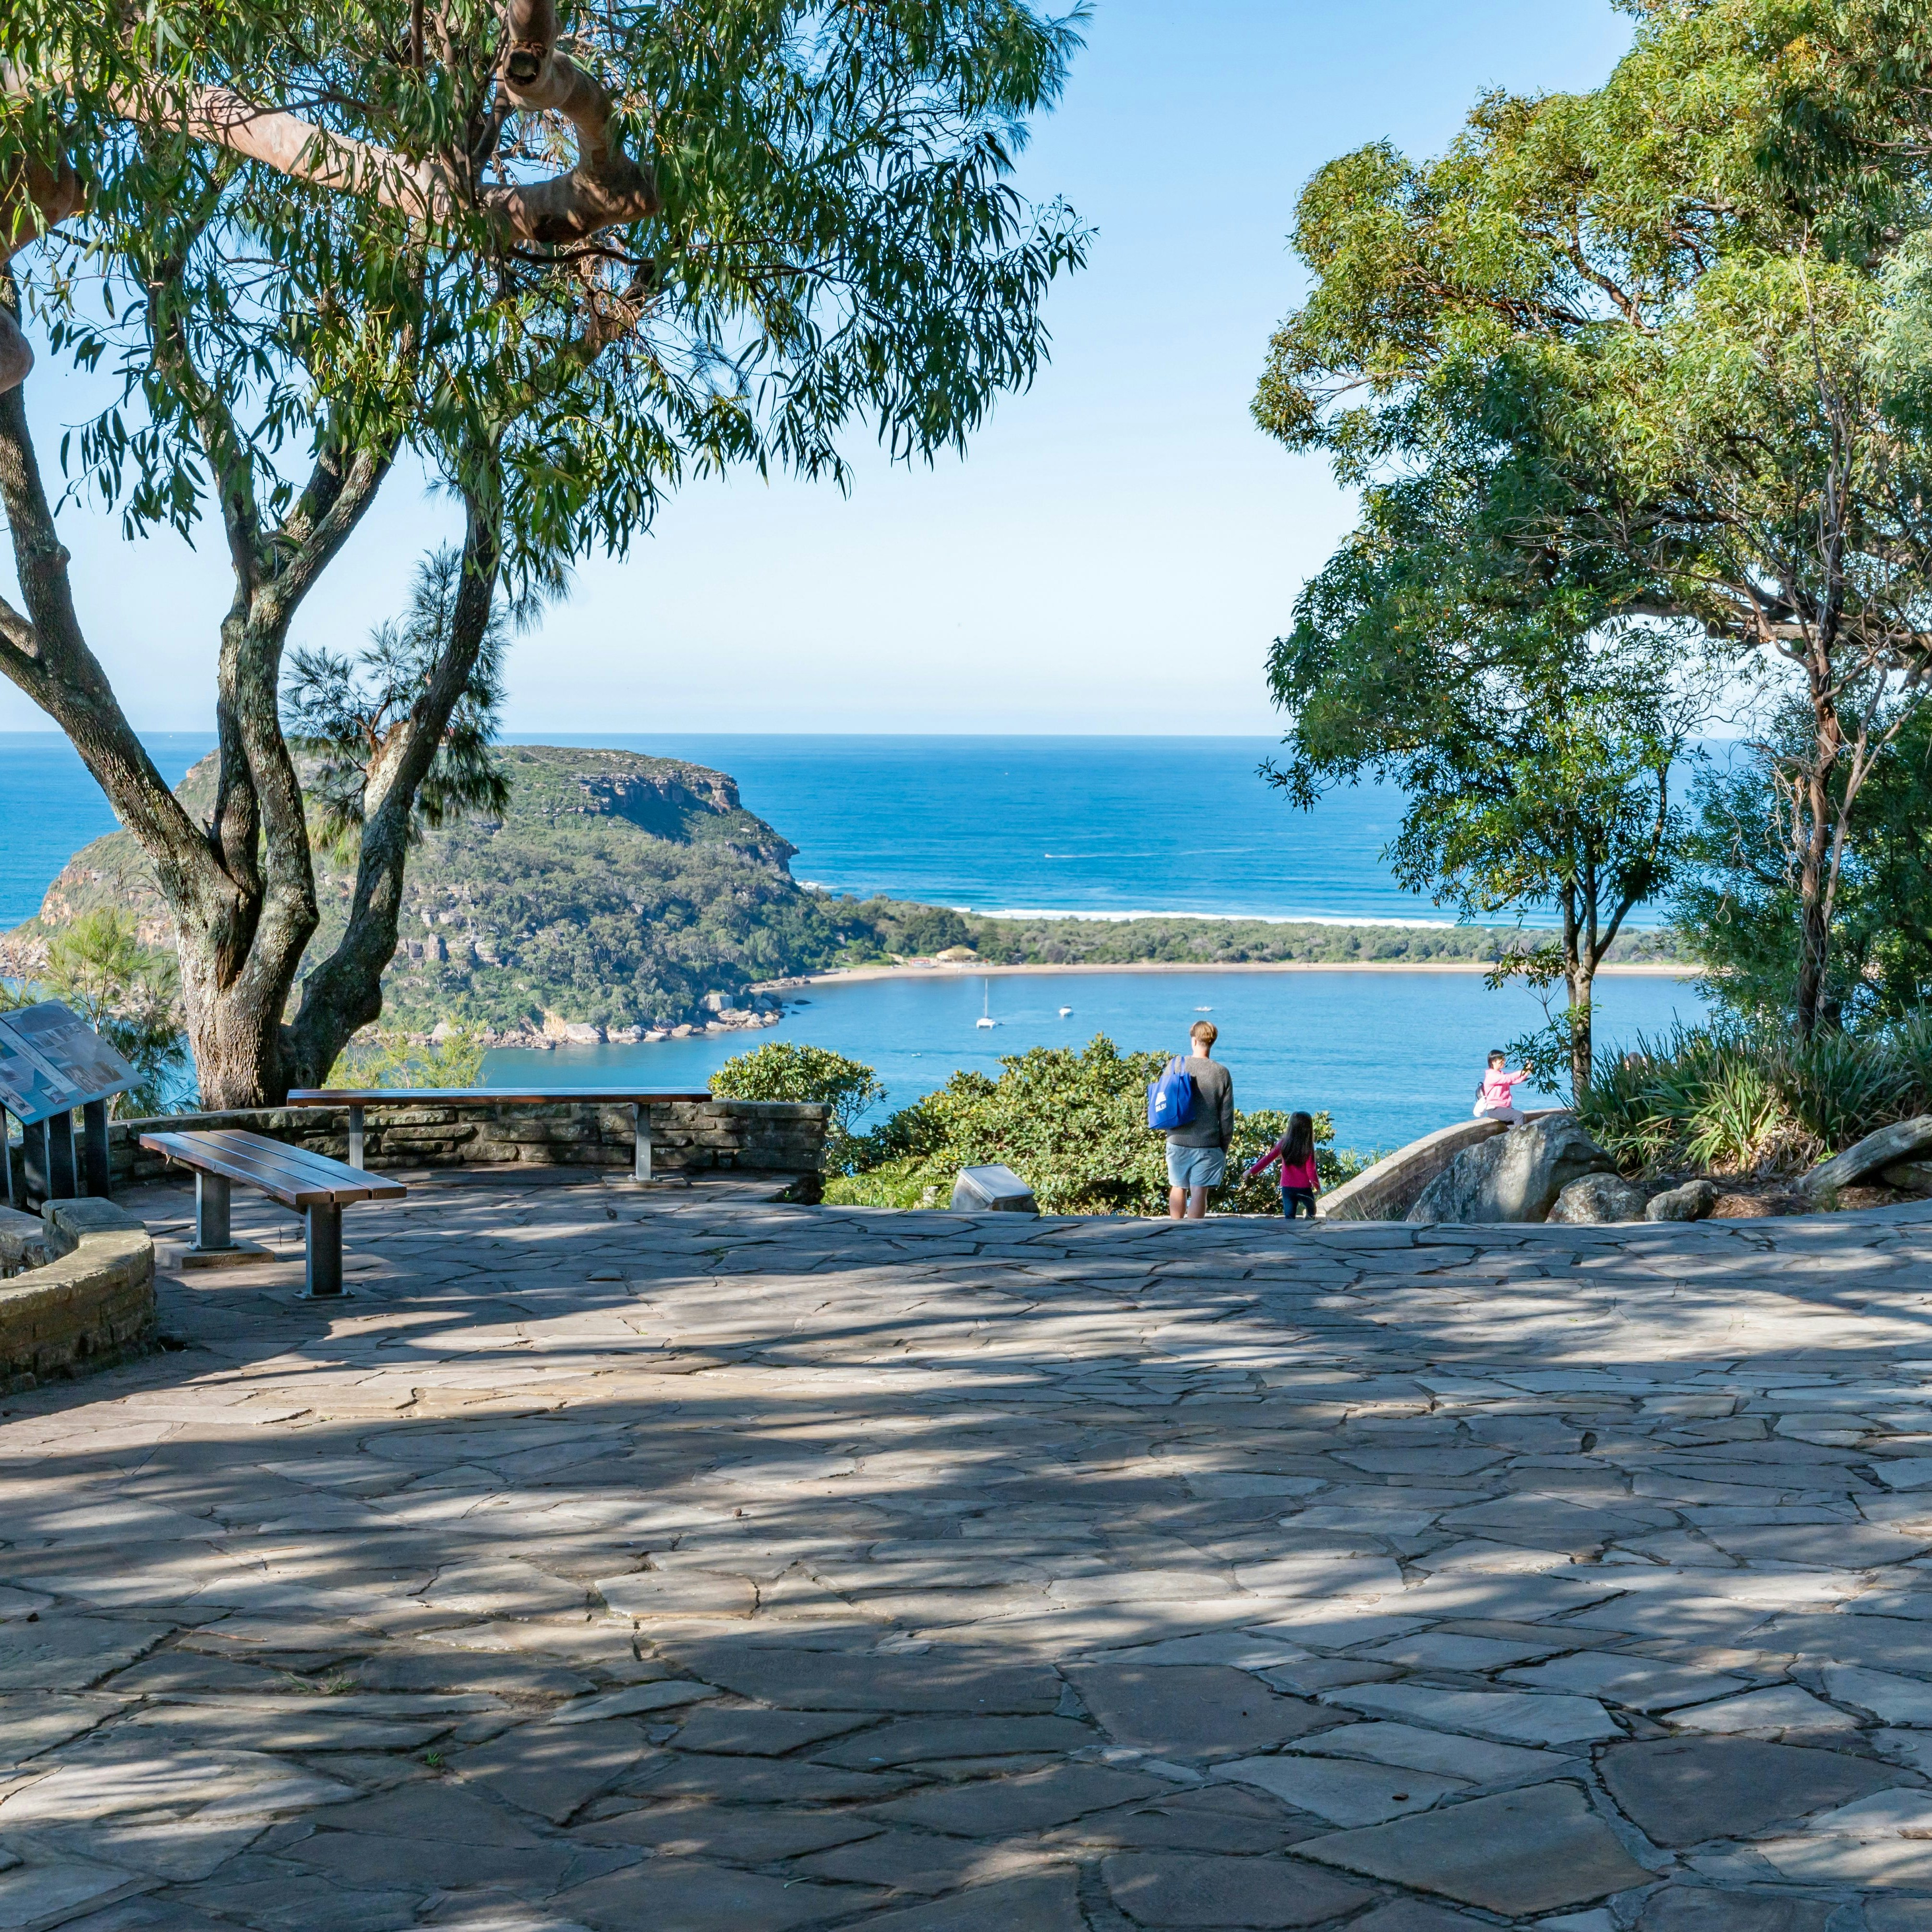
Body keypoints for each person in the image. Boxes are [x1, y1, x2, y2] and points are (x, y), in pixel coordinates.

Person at [1165, 1019, 1233, 1220]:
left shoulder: (1176, 1065)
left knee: (1178, 1187)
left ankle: (1175, 1230)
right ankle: (1194, 1238)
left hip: (1178, 1140)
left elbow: (1164, 1100)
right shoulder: (1221, 1073)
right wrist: (1224, 1146)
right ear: (1212, 1042)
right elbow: (1227, 1117)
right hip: (1208, 1144)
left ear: (1194, 1041)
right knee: (1199, 1192)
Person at [1248, 1110, 1320, 1219]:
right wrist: (1317, 1186)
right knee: (1311, 1212)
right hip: (1304, 1188)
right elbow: (1311, 1170)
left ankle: (1289, 1234)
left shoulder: (1284, 1143)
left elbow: (1268, 1158)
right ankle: (1307, 1231)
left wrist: (1251, 1171)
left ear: (1291, 1127)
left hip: (1287, 1188)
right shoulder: (1308, 1146)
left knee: (1289, 1216)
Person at [1474, 1050, 1533, 1123]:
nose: (1504, 1062)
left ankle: (1516, 1134)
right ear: (1493, 1062)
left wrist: (1527, 1072)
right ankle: (1519, 1135)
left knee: (1522, 1120)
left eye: (1504, 1059)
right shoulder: (1491, 1076)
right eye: (1501, 1060)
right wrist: (1524, 1071)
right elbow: (1508, 1078)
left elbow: (1514, 1080)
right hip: (1495, 1109)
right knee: (1519, 1116)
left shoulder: (1501, 1075)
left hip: (1505, 1108)